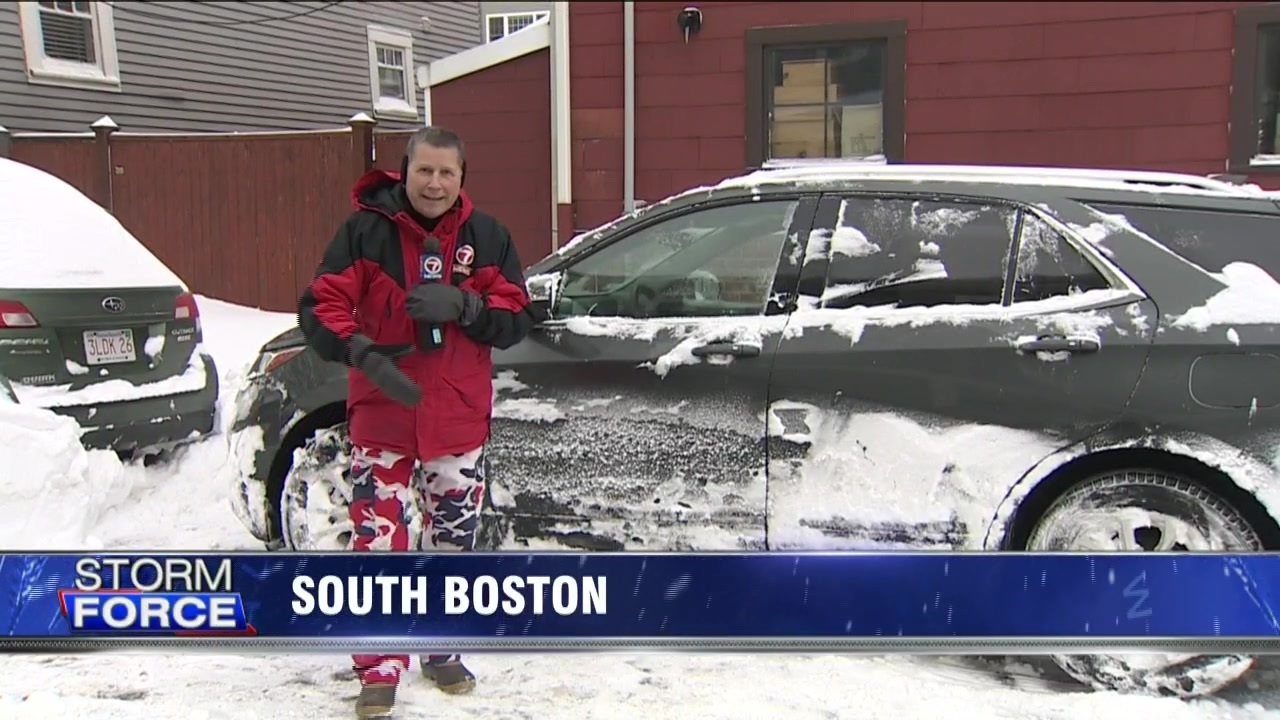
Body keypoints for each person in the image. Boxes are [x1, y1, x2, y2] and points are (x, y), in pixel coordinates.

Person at [298, 126, 533, 719]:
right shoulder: (364, 231)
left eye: (446, 173)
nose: (434, 183)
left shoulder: (488, 237)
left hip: (456, 420)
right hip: (383, 416)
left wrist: (467, 306)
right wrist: (359, 350)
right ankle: (378, 667)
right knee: (380, 544)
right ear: (405, 171)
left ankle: (441, 649)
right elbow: (322, 302)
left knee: (452, 541)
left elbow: (515, 315)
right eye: (424, 171)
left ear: (461, 178)